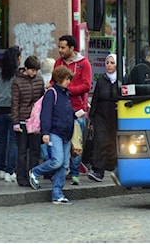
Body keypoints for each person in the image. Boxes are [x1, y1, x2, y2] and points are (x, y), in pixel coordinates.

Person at [29, 66, 84, 204]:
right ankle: (35, 172)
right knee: (57, 161)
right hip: (56, 132)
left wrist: (75, 114)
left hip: (65, 134)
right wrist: (45, 133)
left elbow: (66, 112)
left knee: (64, 165)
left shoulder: (65, 93)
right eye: (67, 79)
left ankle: (57, 194)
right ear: (60, 79)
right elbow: (46, 114)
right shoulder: (51, 93)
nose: (68, 82)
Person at [54, 35, 92, 185]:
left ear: (71, 48)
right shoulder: (58, 63)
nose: (60, 50)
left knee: (76, 143)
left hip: (78, 110)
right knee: (60, 142)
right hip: (60, 110)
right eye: (59, 47)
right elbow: (53, 81)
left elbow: (87, 85)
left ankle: (75, 173)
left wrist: (68, 90)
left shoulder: (84, 64)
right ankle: (62, 172)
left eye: (63, 47)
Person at [11, 55, 45, 187]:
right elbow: (15, 103)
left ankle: (33, 175)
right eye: (32, 70)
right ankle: (21, 177)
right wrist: (15, 122)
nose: (34, 73)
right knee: (22, 150)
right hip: (23, 119)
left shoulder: (39, 79)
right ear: (26, 68)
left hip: (35, 120)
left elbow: (42, 99)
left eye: (36, 71)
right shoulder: (17, 82)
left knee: (35, 150)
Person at [0, 46, 21, 182]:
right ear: (17, 59)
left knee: (1, 140)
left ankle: (1, 168)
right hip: (13, 111)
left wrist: (0, 96)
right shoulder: (18, 75)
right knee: (14, 141)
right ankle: (10, 170)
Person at [87, 54, 118, 182]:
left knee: (114, 143)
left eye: (112, 63)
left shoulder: (122, 80)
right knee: (100, 141)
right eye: (107, 63)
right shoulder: (101, 80)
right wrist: (92, 118)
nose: (109, 65)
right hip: (102, 115)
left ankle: (115, 169)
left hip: (116, 116)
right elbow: (95, 100)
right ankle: (98, 171)